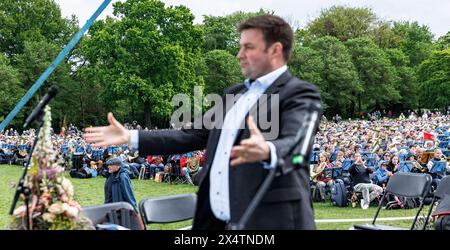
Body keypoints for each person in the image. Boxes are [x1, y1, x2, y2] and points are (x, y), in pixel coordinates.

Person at [84, 15, 322, 230]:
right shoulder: (234, 94)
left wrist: (268, 150)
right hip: (215, 223)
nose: (239, 55)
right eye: (240, 47)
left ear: (275, 50)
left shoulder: (301, 94)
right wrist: (131, 137)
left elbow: (297, 145)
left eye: (248, 47)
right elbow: (190, 135)